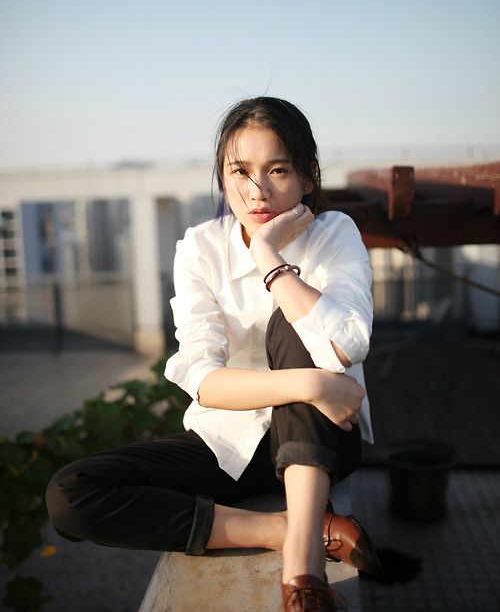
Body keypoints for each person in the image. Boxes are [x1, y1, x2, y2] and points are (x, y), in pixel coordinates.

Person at [46, 97, 381, 612]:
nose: (257, 191)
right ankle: (287, 529)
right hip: (230, 442)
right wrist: (309, 384)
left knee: (293, 319)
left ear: (308, 177)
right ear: (222, 178)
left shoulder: (334, 233)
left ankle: (302, 574)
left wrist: (269, 260)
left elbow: (344, 345)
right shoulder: (200, 248)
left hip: (323, 438)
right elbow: (202, 378)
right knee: (72, 493)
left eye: (278, 170)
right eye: (240, 171)